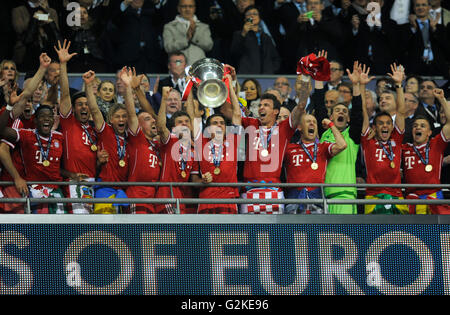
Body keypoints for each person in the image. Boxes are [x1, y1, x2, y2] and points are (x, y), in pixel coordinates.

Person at [238, 79, 309, 214]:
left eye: (266, 105)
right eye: (260, 105)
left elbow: (301, 106)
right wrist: (229, 82)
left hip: (274, 192)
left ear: (276, 111)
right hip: (249, 192)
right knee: (248, 233)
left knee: (274, 233)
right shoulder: (252, 124)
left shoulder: (284, 128)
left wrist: (305, 81)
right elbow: (233, 113)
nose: (261, 108)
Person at [319, 61, 368, 214]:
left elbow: (358, 112)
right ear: (330, 116)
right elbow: (319, 102)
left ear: (348, 119)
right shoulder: (324, 133)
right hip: (322, 195)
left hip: (345, 195)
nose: (341, 112)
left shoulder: (352, 136)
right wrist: (319, 75)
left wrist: (356, 85)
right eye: (337, 110)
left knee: (340, 238)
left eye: (344, 111)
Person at [55, 40, 99, 214]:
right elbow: (65, 94)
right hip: (75, 183)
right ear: (73, 109)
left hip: (94, 183)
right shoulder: (68, 123)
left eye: (86, 104)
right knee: (78, 226)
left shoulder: (95, 129)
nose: (83, 107)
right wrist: (63, 64)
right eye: (79, 104)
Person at [189, 74, 242, 214]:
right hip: (206, 198)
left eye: (222, 123)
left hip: (229, 198)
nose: (219, 125)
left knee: (230, 236)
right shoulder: (201, 143)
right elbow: (192, 115)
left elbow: (237, 114)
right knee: (205, 235)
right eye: (215, 123)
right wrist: (190, 89)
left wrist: (229, 85)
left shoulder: (232, 140)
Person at [361, 63, 408, 214]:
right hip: (373, 197)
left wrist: (399, 85)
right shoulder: (368, 140)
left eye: (388, 123)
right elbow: (363, 111)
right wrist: (362, 87)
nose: (385, 126)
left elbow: (401, 112)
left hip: (397, 196)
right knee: (374, 236)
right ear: (374, 127)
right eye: (380, 123)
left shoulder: (397, 138)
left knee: (400, 236)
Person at [83, 69, 130, 214]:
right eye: (117, 117)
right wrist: (89, 86)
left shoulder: (131, 138)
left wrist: (128, 86)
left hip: (123, 192)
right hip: (105, 189)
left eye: (124, 116)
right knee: (104, 232)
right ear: (110, 119)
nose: (121, 120)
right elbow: (95, 110)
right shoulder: (106, 131)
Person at [284, 114, 347, 214]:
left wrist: (331, 124)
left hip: (317, 198)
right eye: (308, 121)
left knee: (318, 229)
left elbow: (342, 145)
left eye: (314, 122)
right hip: (294, 197)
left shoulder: (323, 147)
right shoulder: (288, 148)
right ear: (299, 127)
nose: (312, 123)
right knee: (293, 229)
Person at [119, 67, 162, 214]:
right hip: (136, 194)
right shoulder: (137, 139)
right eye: (147, 119)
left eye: (152, 119)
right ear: (139, 124)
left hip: (154, 196)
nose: (153, 121)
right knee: (136, 235)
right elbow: (131, 113)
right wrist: (128, 87)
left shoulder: (157, 144)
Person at [402, 88, 450, 214]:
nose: (418, 128)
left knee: (437, 232)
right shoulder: (404, 148)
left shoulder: (436, 144)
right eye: (415, 126)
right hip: (412, 198)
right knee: (413, 234)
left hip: (434, 197)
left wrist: (441, 99)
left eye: (422, 126)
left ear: (429, 132)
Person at [155, 86, 199, 214]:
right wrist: (164, 98)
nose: (184, 124)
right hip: (166, 193)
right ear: (174, 127)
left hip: (183, 195)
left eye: (187, 122)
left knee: (181, 232)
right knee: (169, 232)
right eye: (180, 122)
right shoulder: (170, 140)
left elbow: (194, 178)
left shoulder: (194, 150)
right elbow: (161, 127)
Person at [230, 5, 281, 74]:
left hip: (266, 77)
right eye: (248, 14)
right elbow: (234, 53)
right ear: (245, 19)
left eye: (255, 14)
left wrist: (271, 69)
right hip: (247, 76)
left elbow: (275, 58)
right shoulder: (239, 34)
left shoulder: (266, 37)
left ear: (259, 18)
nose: (252, 16)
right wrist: (244, 33)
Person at [163, 0, 213, 65]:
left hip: (199, 65)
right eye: (184, 6)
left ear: (194, 8)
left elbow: (209, 46)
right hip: (178, 66)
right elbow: (168, 48)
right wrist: (186, 39)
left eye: (190, 6)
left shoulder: (203, 27)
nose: (187, 9)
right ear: (178, 8)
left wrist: (194, 35)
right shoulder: (170, 27)